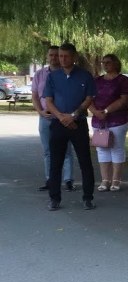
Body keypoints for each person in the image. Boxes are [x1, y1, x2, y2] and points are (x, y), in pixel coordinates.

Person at [42, 42, 97, 210]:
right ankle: (54, 198)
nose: (62, 59)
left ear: (74, 57)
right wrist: (61, 117)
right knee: (56, 162)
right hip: (58, 124)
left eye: (66, 56)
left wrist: (73, 115)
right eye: (60, 56)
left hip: (78, 123)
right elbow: (48, 101)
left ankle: (88, 197)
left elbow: (89, 98)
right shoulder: (53, 76)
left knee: (85, 161)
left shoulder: (85, 75)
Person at [31, 45, 75, 192]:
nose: (54, 58)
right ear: (47, 56)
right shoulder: (40, 74)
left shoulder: (67, 73)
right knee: (47, 151)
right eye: (51, 55)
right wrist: (40, 111)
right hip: (46, 117)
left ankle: (68, 180)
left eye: (57, 55)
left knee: (66, 150)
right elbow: (35, 96)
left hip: (63, 117)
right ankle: (50, 180)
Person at [89, 53, 128, 192]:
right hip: (98, 121)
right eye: (103, 62)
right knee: (102, 149)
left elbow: (124, 99)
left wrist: (107, 111)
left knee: (116, 148)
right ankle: (105, 180)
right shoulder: (97, 81)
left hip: (117, 120)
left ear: (115, 63)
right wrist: (95, 112)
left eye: (108, 62)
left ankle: (116, 180)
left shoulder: (122, 80)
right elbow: (88, 99)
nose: (105, 65)